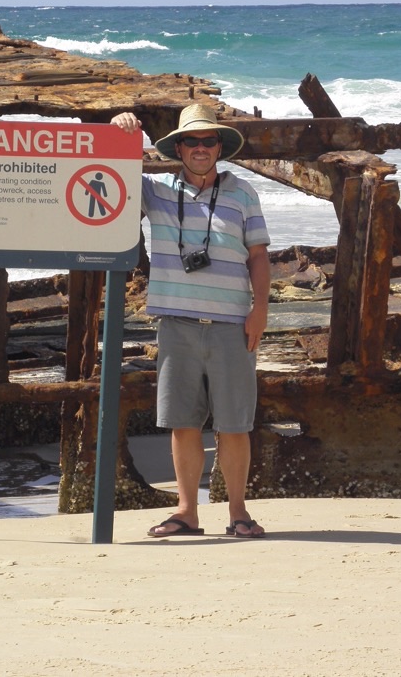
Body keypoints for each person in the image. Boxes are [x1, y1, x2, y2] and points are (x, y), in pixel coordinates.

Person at [111, 104, 270, 538]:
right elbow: (112, 180)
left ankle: (238, 513)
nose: (201, 148)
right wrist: (121, 130)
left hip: (232, 325)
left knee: (234, 424)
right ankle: (186, 512)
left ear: (220, 147)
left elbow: (258, 255)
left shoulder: (243, 193)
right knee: (182, 423)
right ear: (178, 148)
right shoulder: (157, 190)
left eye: (208, 141)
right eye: (192, 141)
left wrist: (260, 310)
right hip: (176, 323)